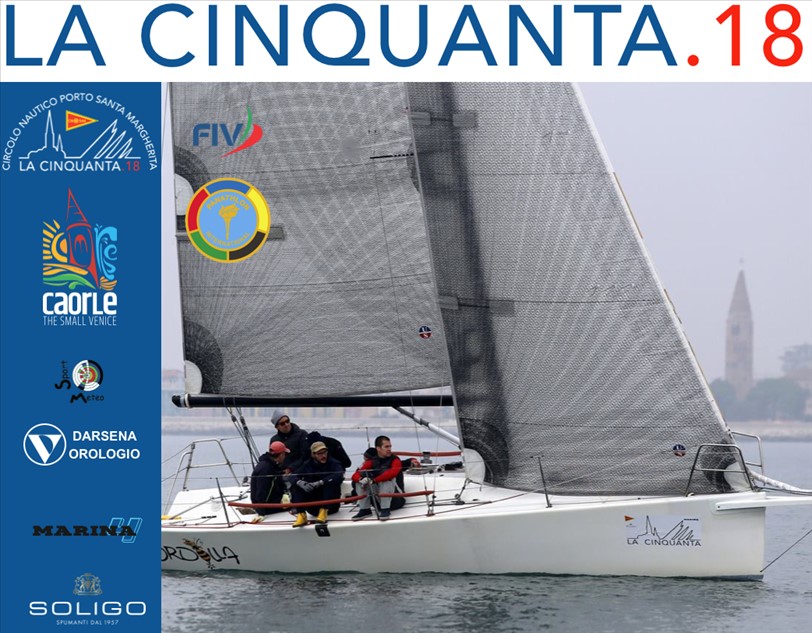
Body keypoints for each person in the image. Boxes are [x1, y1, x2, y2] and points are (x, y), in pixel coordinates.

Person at [289, 441, 346, 527]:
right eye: (319, 453)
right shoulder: (307, 464)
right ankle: (301, 514)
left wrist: (321, 482)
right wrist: (301, 483)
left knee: (330, 483)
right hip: (313, 507)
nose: (323, 456)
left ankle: (323, 512)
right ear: (313, 454)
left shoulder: (334, 463)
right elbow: (292, 476)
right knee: (296, 486)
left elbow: (338, 475)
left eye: (325, 452)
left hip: (331, 506)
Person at [351, 435, 402, 521]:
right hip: (378, 499)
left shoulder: (395, 460)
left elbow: (392, 473)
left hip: (395, 499)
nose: (389, 449)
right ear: (378, 448)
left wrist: (374, 480)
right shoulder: (372, 461)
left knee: (386, 480)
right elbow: (355, 474)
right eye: (386, 447)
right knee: (360, 482)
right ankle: (365, 509)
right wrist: (361, 480)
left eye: (390, 446)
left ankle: (385, 509)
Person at [250, 441, 289, 517]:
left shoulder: (269, 465)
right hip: (266, 507)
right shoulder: (267, 469)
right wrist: (261, 512)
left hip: (270, 501)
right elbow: (262, 490)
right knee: (296, 503)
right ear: (281, 455)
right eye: (285, 454)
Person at [269, 410, 309, 476]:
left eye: (287, 421)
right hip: (281, 473)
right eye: (282, 423)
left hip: (299, 472)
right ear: (277, 427)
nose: (286, 424)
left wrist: (290, 469)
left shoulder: (302, 435)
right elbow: (273, 458)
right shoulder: (274, 440)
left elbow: (305, 456)